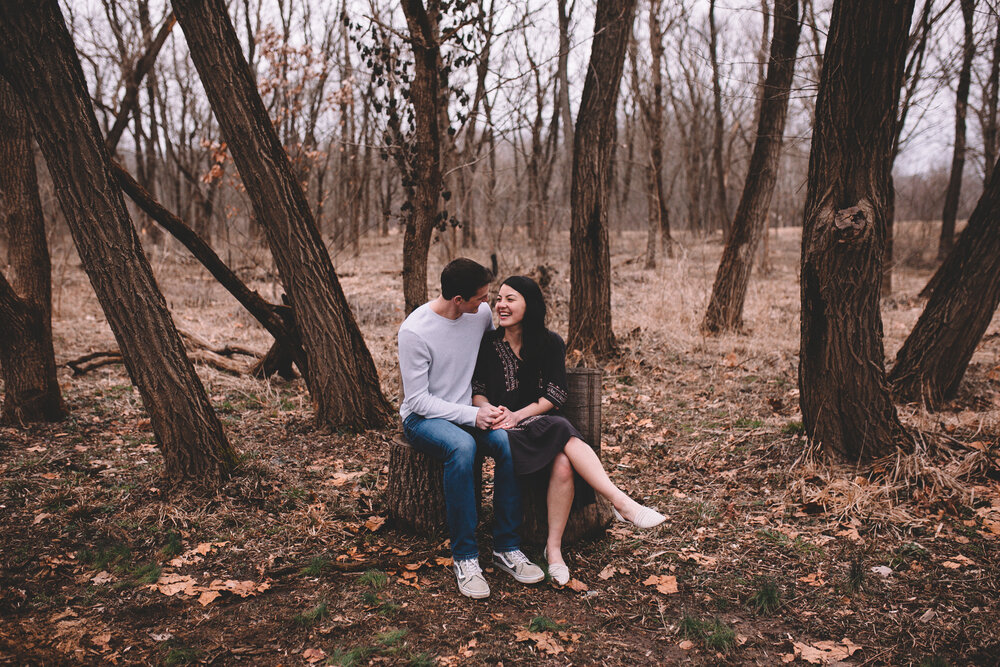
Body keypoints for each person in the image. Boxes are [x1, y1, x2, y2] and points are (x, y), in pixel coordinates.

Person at [472, 276, 665, 586]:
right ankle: (622, 503)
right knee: (561, 429)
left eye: (511, 299)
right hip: (500, 430)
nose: (501, 305)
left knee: (563, 460)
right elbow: (477, 389)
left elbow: (555, 394)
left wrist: (517, 415)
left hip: (534, 422)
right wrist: (490, 411)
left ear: (529, 305)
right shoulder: (488, 344)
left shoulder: (549, 343)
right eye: (499, 299)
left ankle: (554, 550)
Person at [398, 259, 544, 599]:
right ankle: (465, 557)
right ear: (457, 299)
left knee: (508, 444)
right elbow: (418, 401)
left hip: (470, 410)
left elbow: (487, 363)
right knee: (462, 449)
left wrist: (486, 406)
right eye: (480, 298)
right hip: (424, 419)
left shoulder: (476, 315)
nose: (488, 305)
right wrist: (469, 415)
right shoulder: (415, 331)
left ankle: (506, 547)